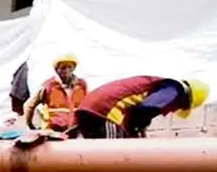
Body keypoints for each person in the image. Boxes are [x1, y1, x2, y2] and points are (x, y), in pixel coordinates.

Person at [75, 76, 210, 139]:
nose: (174, 110)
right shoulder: (173, 88)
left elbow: (137, 112)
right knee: (112, 153)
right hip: (105, 111)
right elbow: (146, 109)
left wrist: (136, 130)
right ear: (186, 98)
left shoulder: (153, 86)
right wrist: (137, 130)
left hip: (87, 108)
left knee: (94, 153)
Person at [22, 53, 87, 136]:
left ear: (74, 68)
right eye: (63, 68)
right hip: (54, 132)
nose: (66, 70)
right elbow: (28, 106)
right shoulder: (48, 86)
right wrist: (30, 125)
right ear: (57, 69)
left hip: (76, 130)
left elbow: (88, 105)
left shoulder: (81, 85)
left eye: (70, 67)